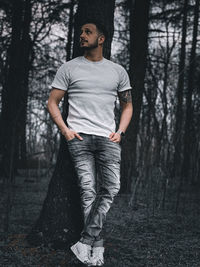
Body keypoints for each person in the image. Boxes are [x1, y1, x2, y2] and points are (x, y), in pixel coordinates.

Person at [47, 19, 133, 266]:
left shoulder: (117, 71)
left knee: (112, 187)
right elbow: (52, 102)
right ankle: (96, 249)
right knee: (88, 191)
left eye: (88, 32)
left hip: (108, 138)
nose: (82, 36)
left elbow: (128, 105)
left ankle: (85, 242)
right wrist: (65, 130)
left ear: (101, 38)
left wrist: (121, 131)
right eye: (81, 32)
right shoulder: (69, 68)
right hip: (80, 138)